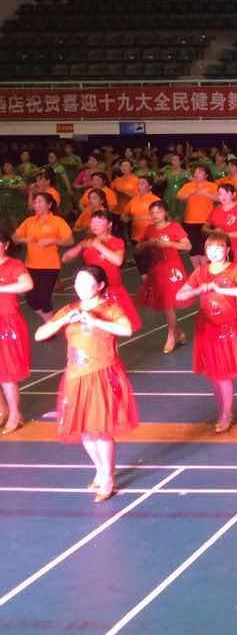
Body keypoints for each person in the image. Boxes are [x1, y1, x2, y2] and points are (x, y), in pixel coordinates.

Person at [34, 265, 138, 502]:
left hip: (102, 374)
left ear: (100, 285)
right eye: (77, 282)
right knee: (84, 430)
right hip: (75, 376)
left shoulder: (110, 308)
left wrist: (94, 320)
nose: (79, 286)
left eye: (86, 281)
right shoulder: (70, 309)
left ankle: (108, 477)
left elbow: (126, 329)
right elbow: (40, 334)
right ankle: (100, 470)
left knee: (100, 429)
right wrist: (62, 321)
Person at [175, 233, 237, 433]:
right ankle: (223, 410)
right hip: (207, 326)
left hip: (227, 327)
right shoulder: (201, 271)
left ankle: (226, 413)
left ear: (227, 250)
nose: (214, 251)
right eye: (210, 248)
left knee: (223, 374)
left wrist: (221, 290)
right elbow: (180, 295)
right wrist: (197, 290)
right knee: (214, 373)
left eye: (219, 247)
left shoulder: (234, 269)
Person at [63, 210, 141, 332]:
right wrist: (81, 246)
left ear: (109, 224)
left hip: (113, 290)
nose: (94, 225)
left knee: (119, 325)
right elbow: (65, 258)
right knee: (98, 327)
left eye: (99, 222)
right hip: (94, 292)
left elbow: (117, 261)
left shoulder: (117, 242)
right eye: (93, 222)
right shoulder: (87, 242)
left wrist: (98, 245)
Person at [136, 201, 191, 354]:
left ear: (165, 213)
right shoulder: (149, 229)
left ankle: (171, 336)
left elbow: (187, 246)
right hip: (157, 269)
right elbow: (138, 248)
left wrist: (169, 244)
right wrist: (148, 243)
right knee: (166, 305)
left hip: (172, 269)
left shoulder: (174, 227)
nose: (155, 215)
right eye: (152, 212)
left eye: (158, 212)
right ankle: (179, 333)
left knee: (168, 304)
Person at [13, 191, 73, 323]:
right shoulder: (29, 221)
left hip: (50, 265)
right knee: (31, 299)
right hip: (30, 265)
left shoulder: (58, 221)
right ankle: (51, 321)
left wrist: (53, 240)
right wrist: (25, 239)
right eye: (35, 202)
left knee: (44, 298)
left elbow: (70, 240)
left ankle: (50, 325)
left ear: (49, 205)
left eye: (40, 202)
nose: (36, 205)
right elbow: (15, 237)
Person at [0, 231, 33, 434]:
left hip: (7, 322)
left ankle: (15, 414)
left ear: (5, 245)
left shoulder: (14, 265)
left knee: (7, 372)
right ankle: (2, 411)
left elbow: (27, 284)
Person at [177, 165, 219, 267]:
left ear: (206, 175)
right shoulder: (188, 185)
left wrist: (205, 193)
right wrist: (190, 193)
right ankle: (197, 270)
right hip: (190, 221)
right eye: (195, 172)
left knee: (205, 248)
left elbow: (219, 198)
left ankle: (205, 270)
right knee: (193, 249)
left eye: (200, 172)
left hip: (206, 221)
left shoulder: (212, 185)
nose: (196, 174)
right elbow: (179, 196)